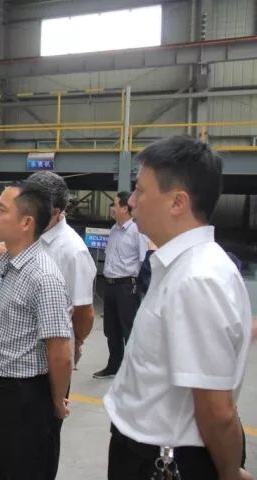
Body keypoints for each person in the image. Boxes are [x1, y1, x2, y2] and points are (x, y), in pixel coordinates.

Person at [104, 136, 253, 480]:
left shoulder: (197, 279)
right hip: (144, 451)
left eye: (141, 190)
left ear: (177, 202)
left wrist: (229, 473)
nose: (132, 201)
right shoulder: (179, 267)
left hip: (163, 463)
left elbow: (217, 411)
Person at [0, 182, 73, 480]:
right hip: (3, 393)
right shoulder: (9, 264)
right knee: (0, 468)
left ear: (26, 222)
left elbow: (60, 352)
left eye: (2, 210)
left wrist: (56, 403)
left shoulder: (43, 277)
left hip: (27, 399)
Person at [26, 171, 97, 366]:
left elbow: (84, 311)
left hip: (51, 355)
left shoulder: (73, 251)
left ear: (56, 212)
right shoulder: (32, 235)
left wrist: (75, 341)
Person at [93, 191, 147, 379]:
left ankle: (133, 371)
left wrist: (139, 288)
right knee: (111, 329)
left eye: (115, 204)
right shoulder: (114, 229)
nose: (112, 208)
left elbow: (143, 260)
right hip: (110, 285)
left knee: (129, 329)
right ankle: (113, 366)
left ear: (125, 208)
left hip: (127, 286)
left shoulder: (137, 231)